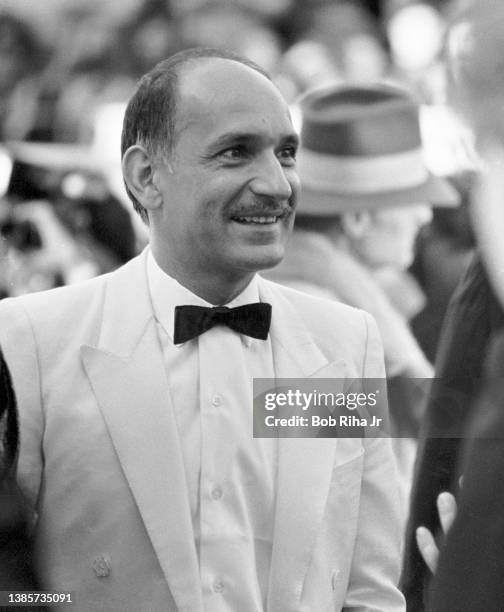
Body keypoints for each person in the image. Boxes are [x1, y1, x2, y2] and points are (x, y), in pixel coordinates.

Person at [0, 48, 405, 611]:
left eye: (285, 154)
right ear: (146, 176)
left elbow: (368, 585)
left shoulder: (344, 342)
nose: (278, 185)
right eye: (236, 153)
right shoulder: (31, 341)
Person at [264, 82, 458, 508]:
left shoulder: (339, 294)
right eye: (409, 200)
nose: (424, 215)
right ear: (356, 218)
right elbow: (288, 422)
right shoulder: (306, 307)